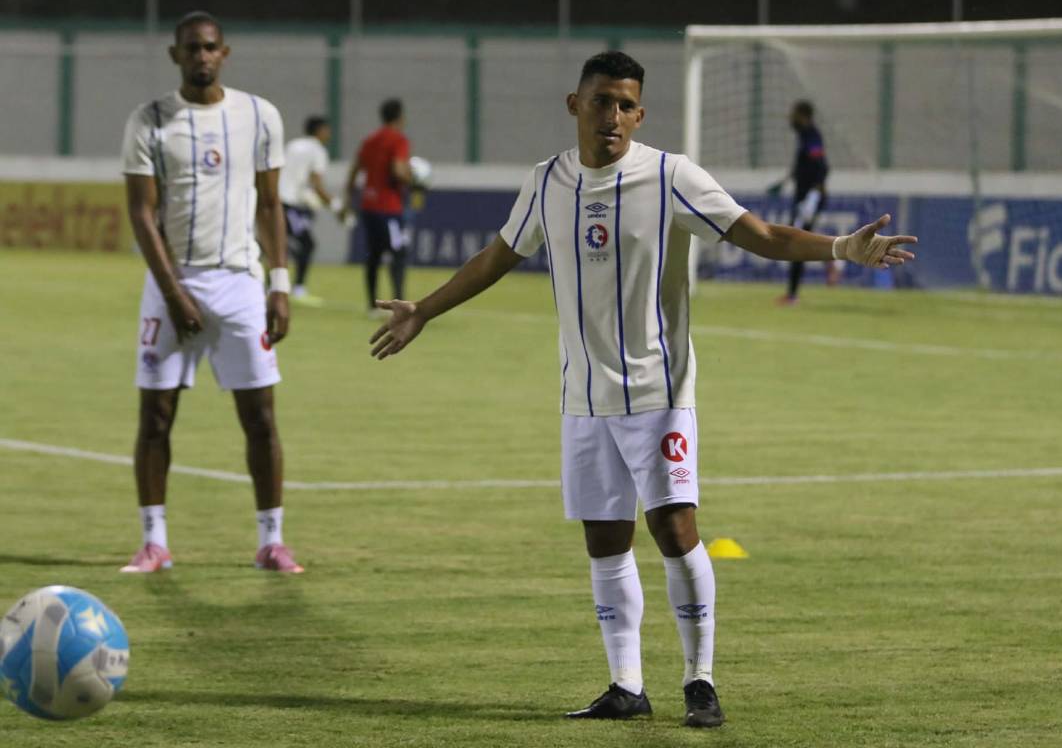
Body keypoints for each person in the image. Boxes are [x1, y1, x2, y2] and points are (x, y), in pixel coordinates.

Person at [367, 52, 915, 727]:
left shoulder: (669, 175)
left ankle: (700, 680)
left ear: (640, 113)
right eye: (602, 102)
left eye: (626, 105)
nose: (614, 116)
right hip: (583, 399)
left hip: (659, 392)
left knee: (674, 528)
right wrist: (423, 307)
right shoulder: (547, 183)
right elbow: (497, 257)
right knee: (604, 539)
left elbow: (761, 234)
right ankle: (626, 684)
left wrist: (840, 249)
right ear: (575, 105)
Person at [119, 11, 303, 574]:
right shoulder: (149, 121)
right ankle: (155, 541)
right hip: (172, 283)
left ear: (225, 52)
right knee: (156, 416)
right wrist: (173, 294)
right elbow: (141, 213)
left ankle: (271, 542)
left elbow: (271, 204)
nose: (201, 56)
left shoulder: (258, 115)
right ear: (175, 56)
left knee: (261, 417)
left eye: (209, 47)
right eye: (190, 49)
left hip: (242, 282)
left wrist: (278, 282)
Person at [342, 98, 415, 312]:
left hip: (368, 205)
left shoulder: (370, 140)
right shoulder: (398, 140)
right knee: (398, 252)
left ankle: (372, 305)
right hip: (389, 208)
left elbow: (355, 170)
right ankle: (399, 303)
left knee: (373, 255)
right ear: (400, 117)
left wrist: (349, 197)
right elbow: (398, 170)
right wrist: (413, 179)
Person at [771, 100, 832, 303]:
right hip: (804, 198)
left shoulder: (812, 136)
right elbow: (805, 167)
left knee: (795, 242)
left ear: (804, 116)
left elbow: (822, 166)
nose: (790, 118)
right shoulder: (805, 137)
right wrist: (785, 181)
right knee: (799, 239)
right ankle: (830, 260)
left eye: (794, 114)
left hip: (809, 199)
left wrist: (813, 195)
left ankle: (793, 294)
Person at [280, 115, 334, 302]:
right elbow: (317, 184)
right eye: (327, 129)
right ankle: (298, 288)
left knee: (280, 244)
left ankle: (275, 286)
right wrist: (336, 205)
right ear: (319, 130)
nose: (329, 133)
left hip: (277, 201)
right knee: (307, 244)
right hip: (290, 204)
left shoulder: (293, 145)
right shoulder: (318, 151)